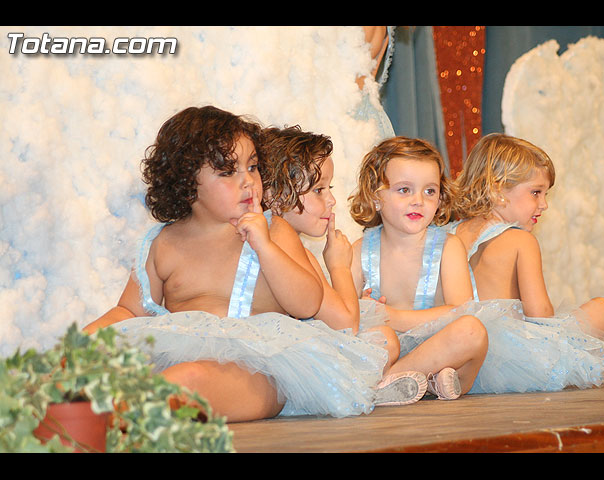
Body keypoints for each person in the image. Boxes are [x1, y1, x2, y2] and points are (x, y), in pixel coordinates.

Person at [83, 106, 390, 422]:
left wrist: (264, 247)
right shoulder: (163, 243)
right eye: (228, 171)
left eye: (253, 167)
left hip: (259, 368)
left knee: (187, 380)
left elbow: (307, 303)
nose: (248, 181)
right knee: (108, 372)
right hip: (177, 359)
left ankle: (122, 415)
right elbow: (129, 311)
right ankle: (100, 412)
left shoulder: (273, 231)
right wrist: (86, 340)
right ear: (186, 181)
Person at [260, 125, 431, 405]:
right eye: (318, 190)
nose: (331, 200)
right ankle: (371, 387)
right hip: (288, 360)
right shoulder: (282, 235)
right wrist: (338, 265)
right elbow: (345, 325)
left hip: (284, 346)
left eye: (328, 188)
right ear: (275, 197)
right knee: (384, 340)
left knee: (381, 335)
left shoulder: (275, 233)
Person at [447, 132, 604, 393]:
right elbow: (540, 316)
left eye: (545, 194)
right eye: (536, 193)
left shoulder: (450, 235)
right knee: (603, 309)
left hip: (463, 353)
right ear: (497, 190)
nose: (544, 204)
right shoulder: (521, 240)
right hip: (509, 360)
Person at [349, 136, 489, 398]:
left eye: (430, 191)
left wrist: (390, 315)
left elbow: (459, 311)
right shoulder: (359, 250)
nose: (418, 200)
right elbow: (345, 314)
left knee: (472, 331)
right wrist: (363, 308)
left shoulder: (448, 246)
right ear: (375, 197)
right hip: (389, 350)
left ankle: (388, 384)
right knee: (379, 336)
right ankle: (422, 382)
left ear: (440, 198)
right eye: (404, 190)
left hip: (440, 349)